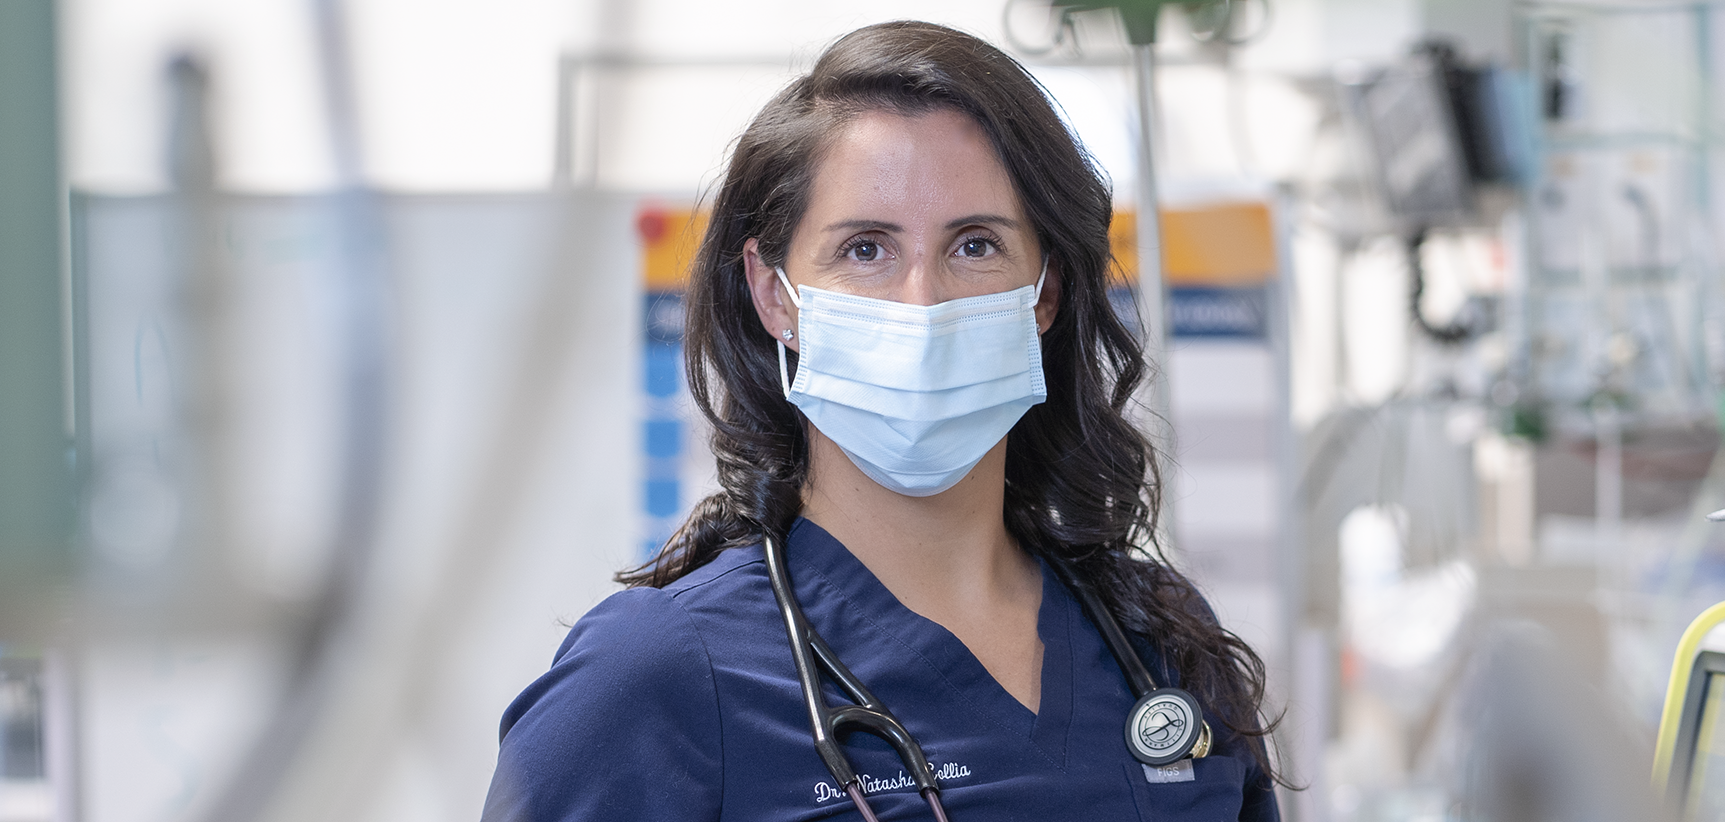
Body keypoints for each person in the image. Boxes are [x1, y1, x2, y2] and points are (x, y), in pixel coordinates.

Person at [484, 20, 1279, 821]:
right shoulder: (657, 676)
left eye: (975, 245)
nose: (922, 302)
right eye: (866, 249)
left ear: (1044, 291)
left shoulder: (1157, 639)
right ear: (773, 294)